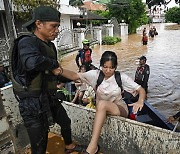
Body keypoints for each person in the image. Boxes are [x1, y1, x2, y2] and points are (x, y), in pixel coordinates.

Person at [11, 6, 85, 154]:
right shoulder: (26, 42)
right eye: (54, 26)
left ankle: (69, 146)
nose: (57, 30)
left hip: (48, 97)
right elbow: (31, 63)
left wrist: (76, 79)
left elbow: (54, 73)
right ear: (39, 24)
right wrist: (54, 65)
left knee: (65, 121)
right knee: (40, 143)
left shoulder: (50, 46)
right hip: (32, 103)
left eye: (58, 26)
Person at [58, 51, 146, 153]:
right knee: (101, 105)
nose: (108, 70)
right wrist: (60, 70)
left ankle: (93, 146)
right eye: (105, 67)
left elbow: (141, 90)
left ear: (115, 67)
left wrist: (140, 101)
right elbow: (75, 76)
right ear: (100, 65)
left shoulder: (121, 77)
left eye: (111, 68)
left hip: (119, 108)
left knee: (102, 104)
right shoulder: (94, 75)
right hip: (101, 108)